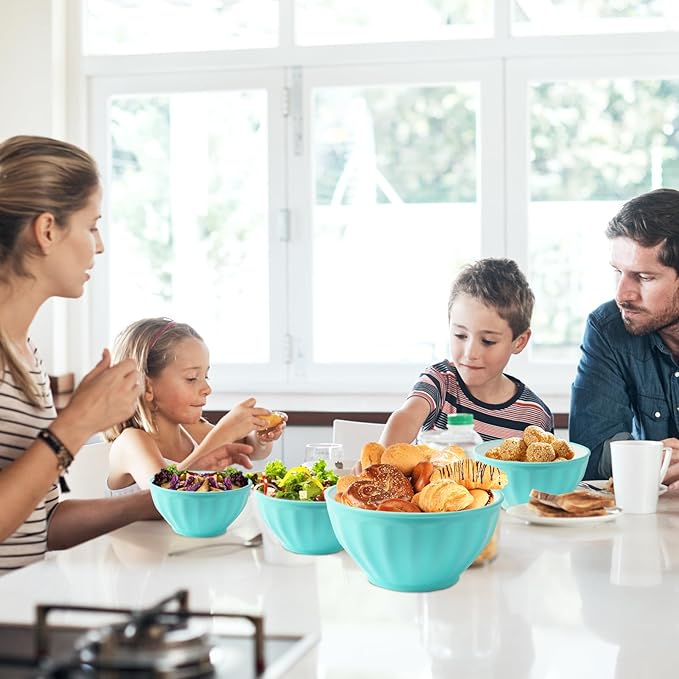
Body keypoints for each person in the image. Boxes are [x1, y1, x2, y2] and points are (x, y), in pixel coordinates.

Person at [0, 134, 253, 575]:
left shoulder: (25, 355)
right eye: (91, 225)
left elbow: (40, 524)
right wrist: (76, 423)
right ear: (47, 231)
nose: (99, 245)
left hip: (26, 603)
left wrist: (156, 500)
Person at [380, 258, 553, 447]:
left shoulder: (534, 416)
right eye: (460, 335)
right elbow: (407, 417)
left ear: (519, 342)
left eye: (488, 341)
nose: (470, 353)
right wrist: (380, 457)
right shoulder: (440, 382)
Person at [570, 188, 679, 486]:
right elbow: (588, 455)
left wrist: (634, 458)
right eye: (618, 272)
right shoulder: (607, 329)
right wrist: (648, 457)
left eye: (644, 277)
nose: (622, 295)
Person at [105, 317, 286, 493]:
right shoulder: (132, 442)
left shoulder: (191, 430)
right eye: (191, 378)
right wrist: (223, 434)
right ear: (148, 387)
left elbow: (250, 450)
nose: (207, 388)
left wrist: (261, 438)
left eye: (205, 376)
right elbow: (165, 497)